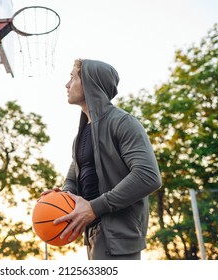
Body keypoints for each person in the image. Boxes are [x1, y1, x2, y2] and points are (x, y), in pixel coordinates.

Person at [45, 59, 162, 260]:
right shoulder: (83, 133)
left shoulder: (123, 123)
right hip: (93, 233)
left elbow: (148, 176)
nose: (67, 84)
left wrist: (94, 207)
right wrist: (64, 197)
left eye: (72, 78)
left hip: (118, 238)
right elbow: (73, 177)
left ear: (90, 83)